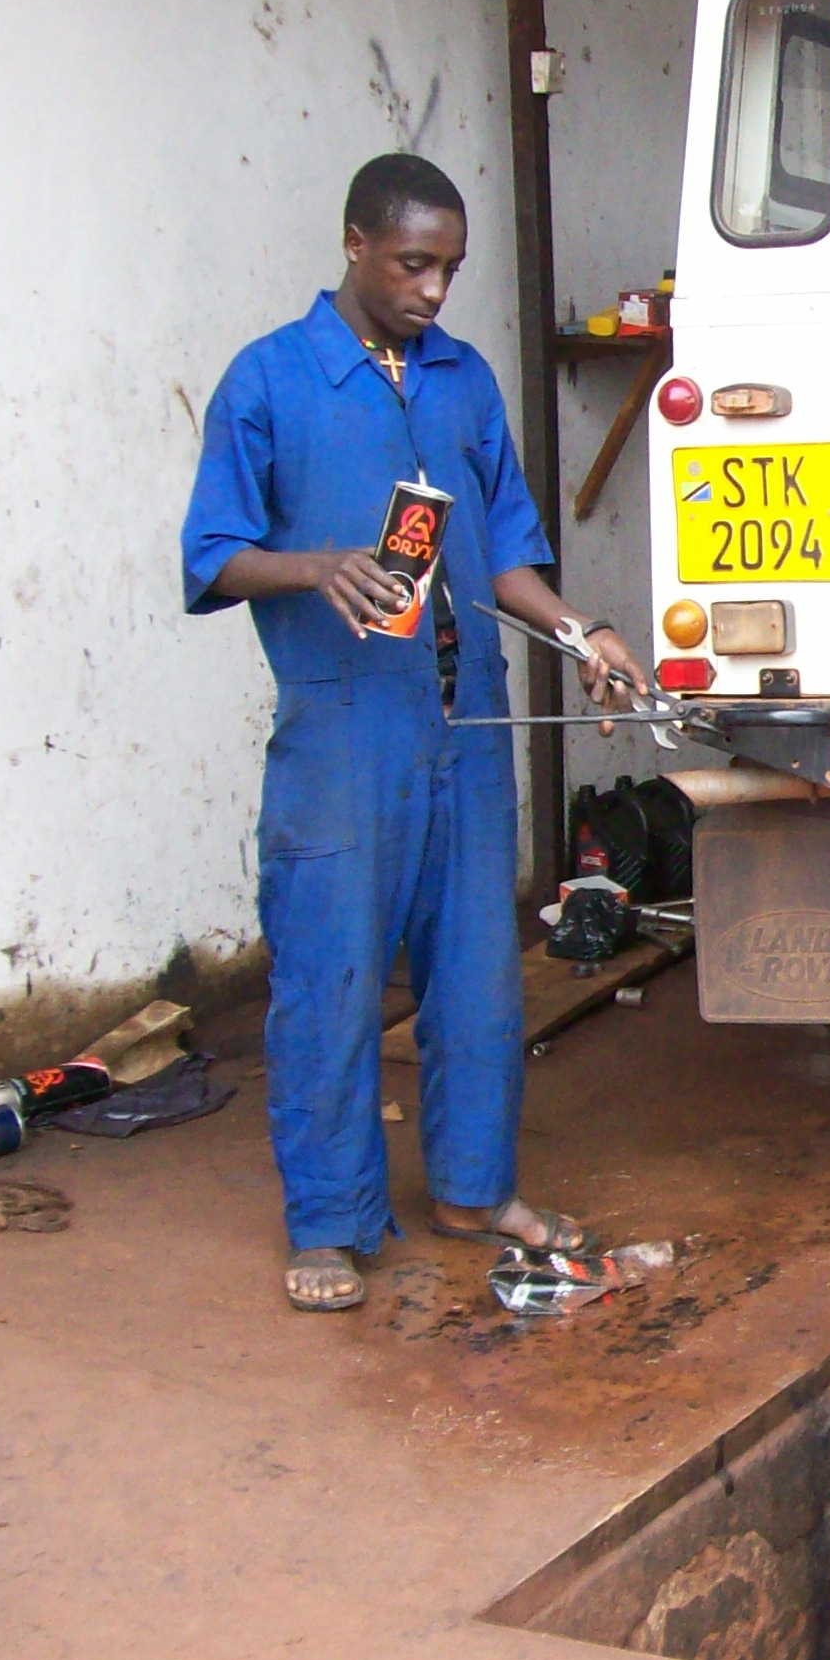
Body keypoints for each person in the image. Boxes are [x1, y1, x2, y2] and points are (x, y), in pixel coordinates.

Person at [181, 153, 642, 1313]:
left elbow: (504, 548)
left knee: (480, 977)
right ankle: (330, 1222)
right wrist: (314, 565)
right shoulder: (271, 381)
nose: (435, 290)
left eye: (450, 268)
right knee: (331, 978)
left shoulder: (462, 380)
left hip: (466, 720)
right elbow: (211, 554)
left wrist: (583, 632)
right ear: (353, 243)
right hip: (344, 733)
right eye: (413, 264)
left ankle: (475, 1191)